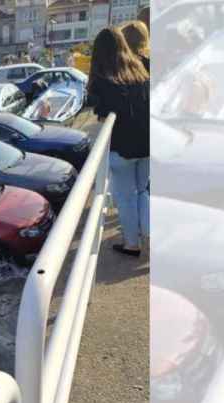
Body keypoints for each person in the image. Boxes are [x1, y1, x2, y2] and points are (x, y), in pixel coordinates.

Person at [88, 26, 150, 258]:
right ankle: (150, 234)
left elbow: (102, 112)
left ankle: (132, 244)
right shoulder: (140, 70)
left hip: (121, 148)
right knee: (143, 191)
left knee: (125, 197)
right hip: (146, 145)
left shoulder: (103, 78)